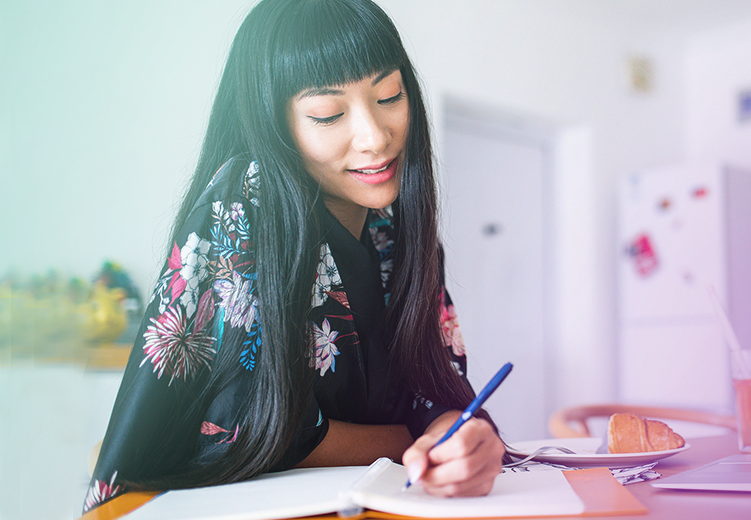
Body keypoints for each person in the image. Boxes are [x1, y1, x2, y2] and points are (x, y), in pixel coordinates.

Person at [84, 0, 505, 512]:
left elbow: (441, 389)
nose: (375, 137)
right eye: (328, 114)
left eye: (389, 95)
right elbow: (257, 428)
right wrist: (411, 440)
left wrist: (462, 437)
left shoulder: (399, 232)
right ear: (274, 124)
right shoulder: (246, 199)